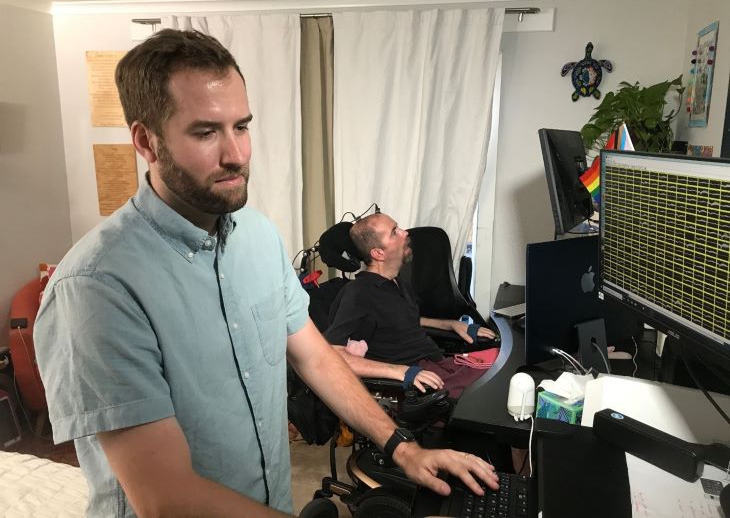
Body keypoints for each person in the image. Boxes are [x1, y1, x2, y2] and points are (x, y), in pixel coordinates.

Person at [33, 29, 498, 518]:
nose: (236, 154)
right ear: (146, 141)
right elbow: (166, 499)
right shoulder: (95, 288)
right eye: (206, 132)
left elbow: (315, 358)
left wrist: (403, 448)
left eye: (242, 126)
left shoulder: (257, 235)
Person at [326, 213, 496, 398]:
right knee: (492, 394)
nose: (404, 233)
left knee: (500, 362)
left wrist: (451, 324)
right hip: (417, 381)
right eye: (394, 232)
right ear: (378, 253)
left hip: (437, 362)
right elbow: (334, 354)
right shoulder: (358, 293)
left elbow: (405, 319)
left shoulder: (398, 283)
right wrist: (400, 372)